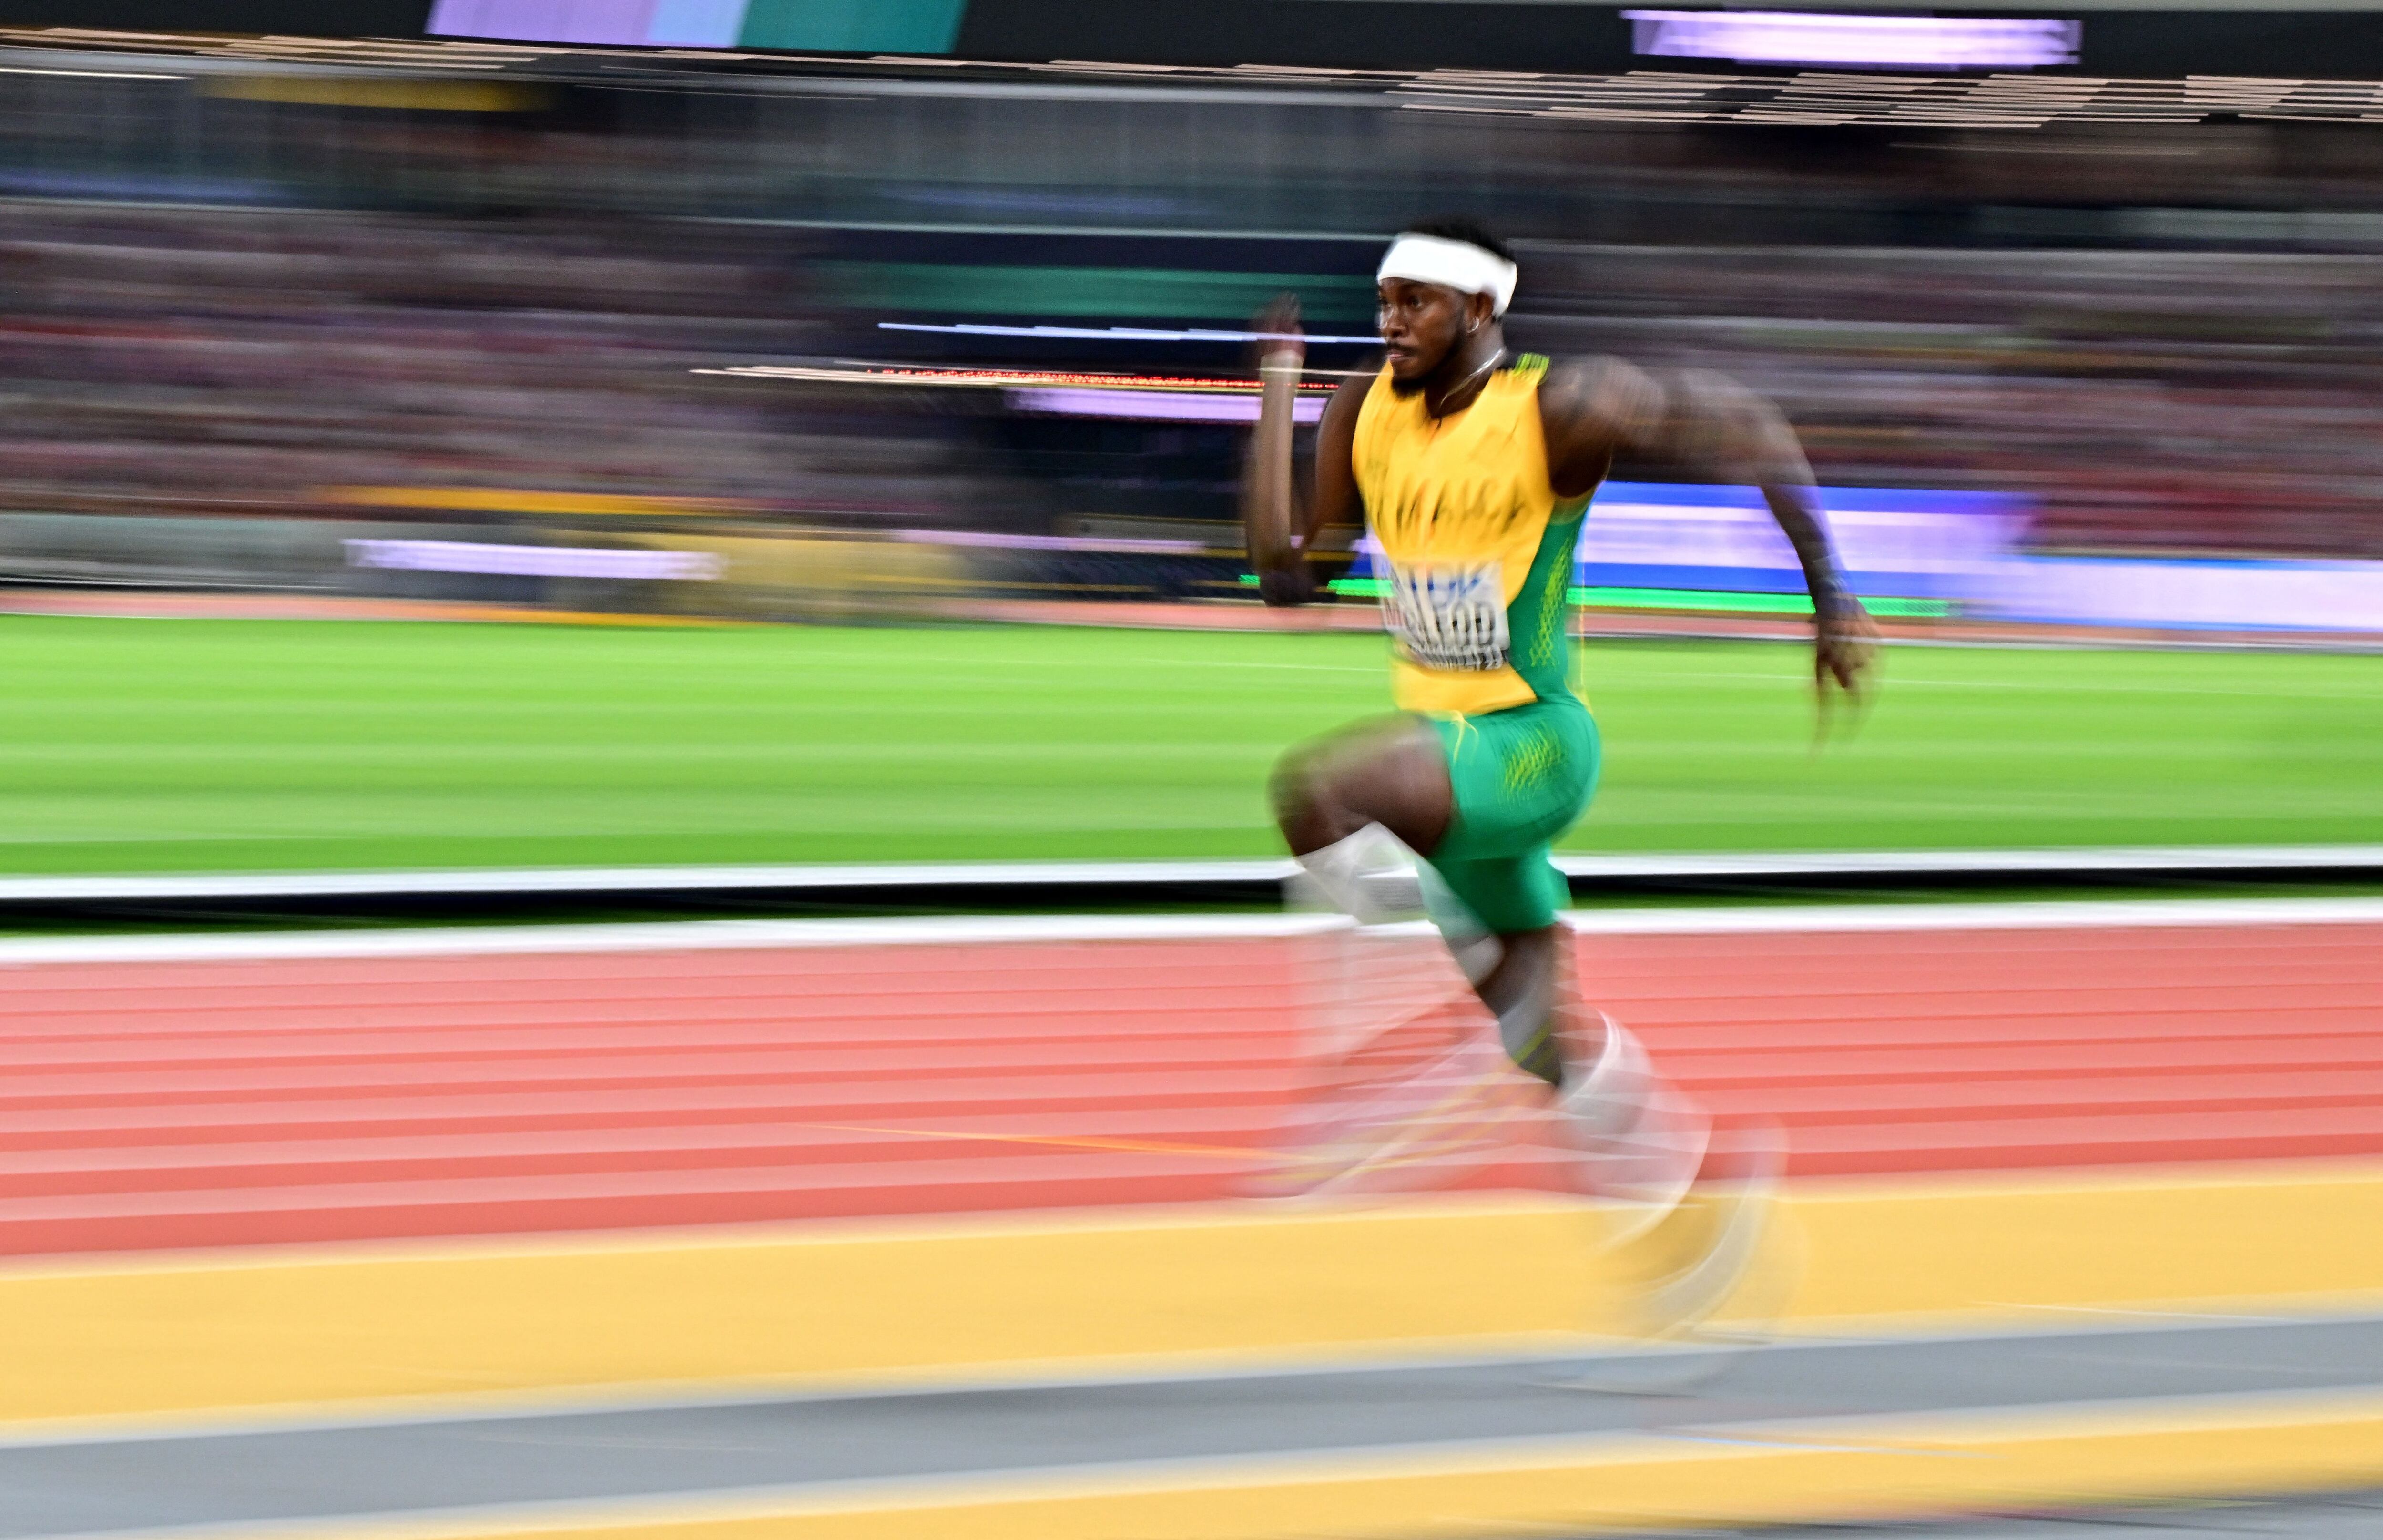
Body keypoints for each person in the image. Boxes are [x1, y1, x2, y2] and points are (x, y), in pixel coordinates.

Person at [1244, 219, 1876, 1332]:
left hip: (1531, 746)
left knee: (1320, 789)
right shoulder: (1361, 411)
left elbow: (1746, 424)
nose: (1390, 321)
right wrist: (1277, 388)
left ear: (1480, 309)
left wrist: (1832, 595)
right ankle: (1692, 1239)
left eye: (1416, 302)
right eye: (1384, 300)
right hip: (1447, 767)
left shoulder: (1560, 407)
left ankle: (1375, 1063)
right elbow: (1286, 579)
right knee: (1546, 1047)